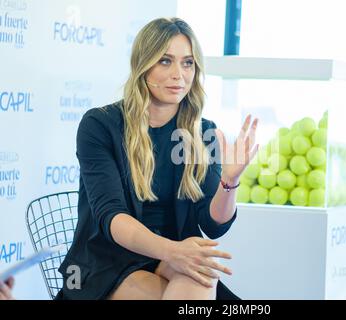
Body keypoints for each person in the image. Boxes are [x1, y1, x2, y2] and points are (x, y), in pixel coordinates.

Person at [55, 17, 258, 300]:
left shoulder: (203, 132)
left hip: (174, 258)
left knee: (199, 274)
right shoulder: (100, 125)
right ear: (143, 64)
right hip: (106, 263)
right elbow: (112, 218)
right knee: (191, 278)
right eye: (165, 61)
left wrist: (229, 181)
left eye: (188, 63)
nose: (179, 74)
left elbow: (214, 225)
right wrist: (175, 251)